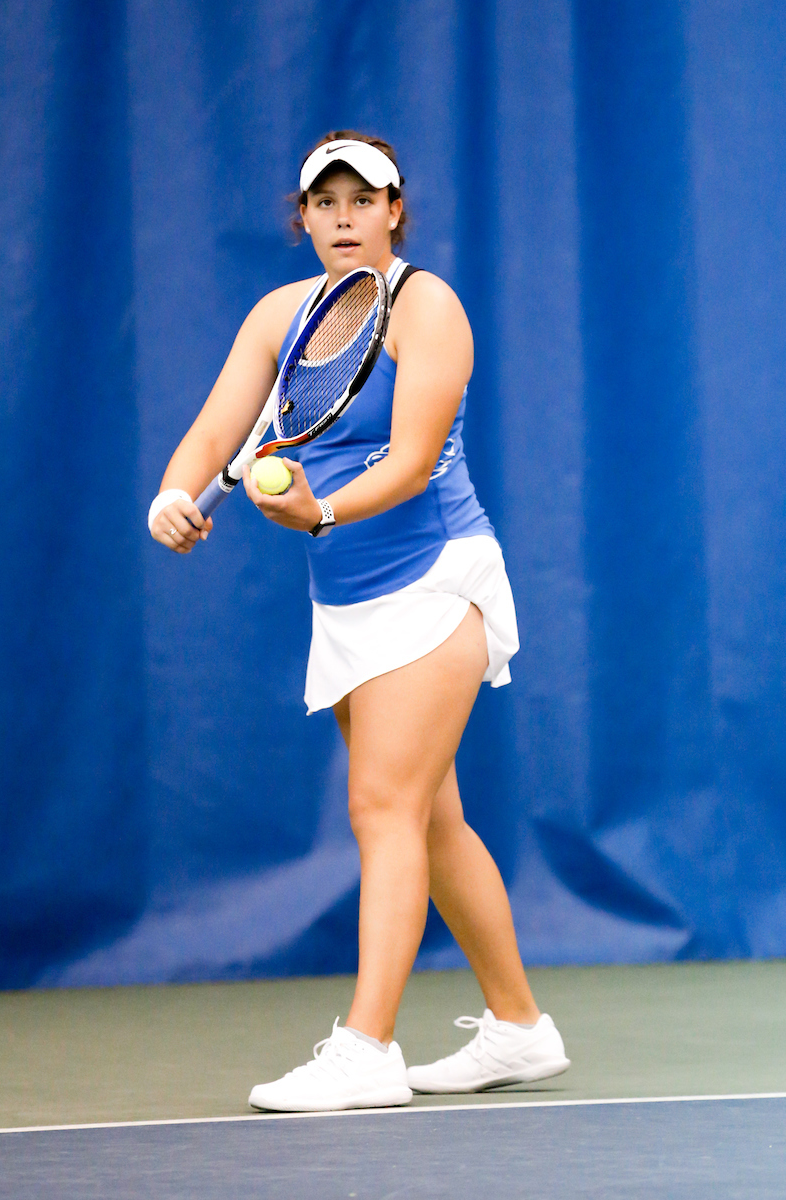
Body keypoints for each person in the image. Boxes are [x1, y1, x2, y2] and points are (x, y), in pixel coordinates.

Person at [148, 132, 570, 1112]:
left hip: (434, 579)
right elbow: (220, 431)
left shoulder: (427, 307)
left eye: (360, 199)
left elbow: (413, 459)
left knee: (380, 808)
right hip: (343, 598)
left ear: (394, 212)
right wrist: (176, 490)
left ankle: (366, 1047)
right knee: (429, 817)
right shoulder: (278, 316)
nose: (341, 217)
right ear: (301, 218)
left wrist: (322, 510)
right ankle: (518, 1029)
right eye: (322, 202)